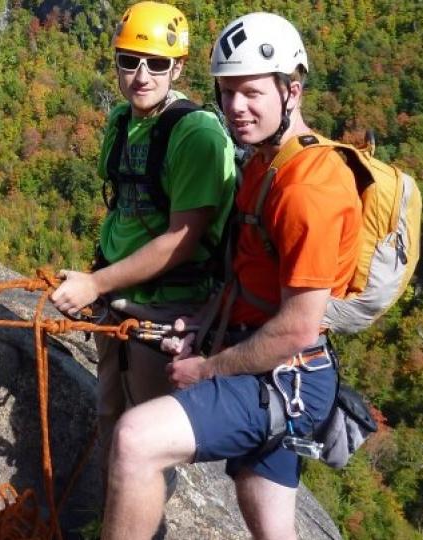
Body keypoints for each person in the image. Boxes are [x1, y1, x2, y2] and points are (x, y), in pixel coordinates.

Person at [98, 12, 362, 540]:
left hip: (285, 374)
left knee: (136, 439)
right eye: (227, 92)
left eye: (252, 93)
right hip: (272, 364)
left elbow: (298, 327)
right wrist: (201, 324)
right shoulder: (265, 164)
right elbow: (244, 276)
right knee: (271, 527)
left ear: (292, 91)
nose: (236, 107)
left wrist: (207, 369)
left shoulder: (309, 188)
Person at [50, 0, 236, 497]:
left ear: (178, 68)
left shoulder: (196, 134)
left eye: (156, 63)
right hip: (118, 300)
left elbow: (182, 240)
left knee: (145, 444)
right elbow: (125, 212)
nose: (141, 75)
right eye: (129, 61)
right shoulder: (121, 120)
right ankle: (105, 520)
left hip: (167, 308)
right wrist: (101, 282)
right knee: (110, 416)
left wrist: (95, 283)